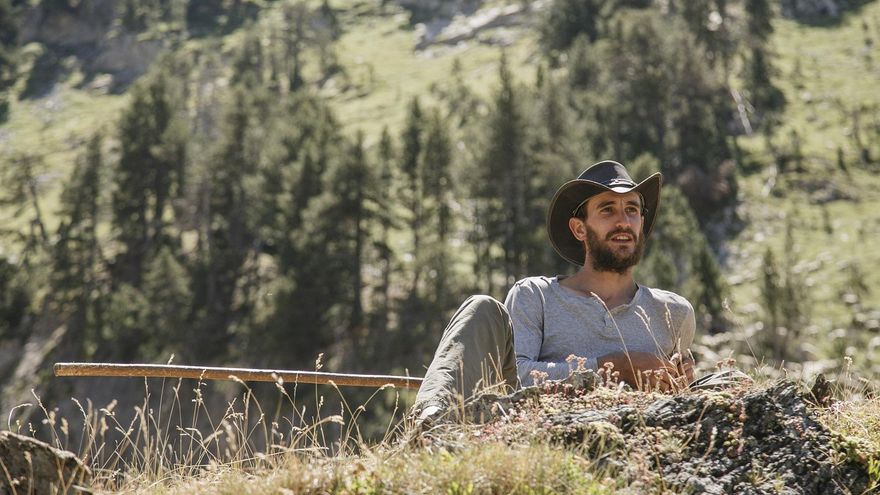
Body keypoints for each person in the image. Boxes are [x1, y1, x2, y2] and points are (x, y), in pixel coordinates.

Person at [413, 160, 696, 419]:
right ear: (579, 229)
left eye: (632, 210)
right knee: (482, 308)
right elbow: (518, 380)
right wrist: (617, 365)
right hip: (532, 431)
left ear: (642, 223)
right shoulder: (536, 296)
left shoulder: (673, 313)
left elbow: (675, 403)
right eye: (607, 209)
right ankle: (430, 422)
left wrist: (681, 383)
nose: (623, 221)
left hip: (628, 444)